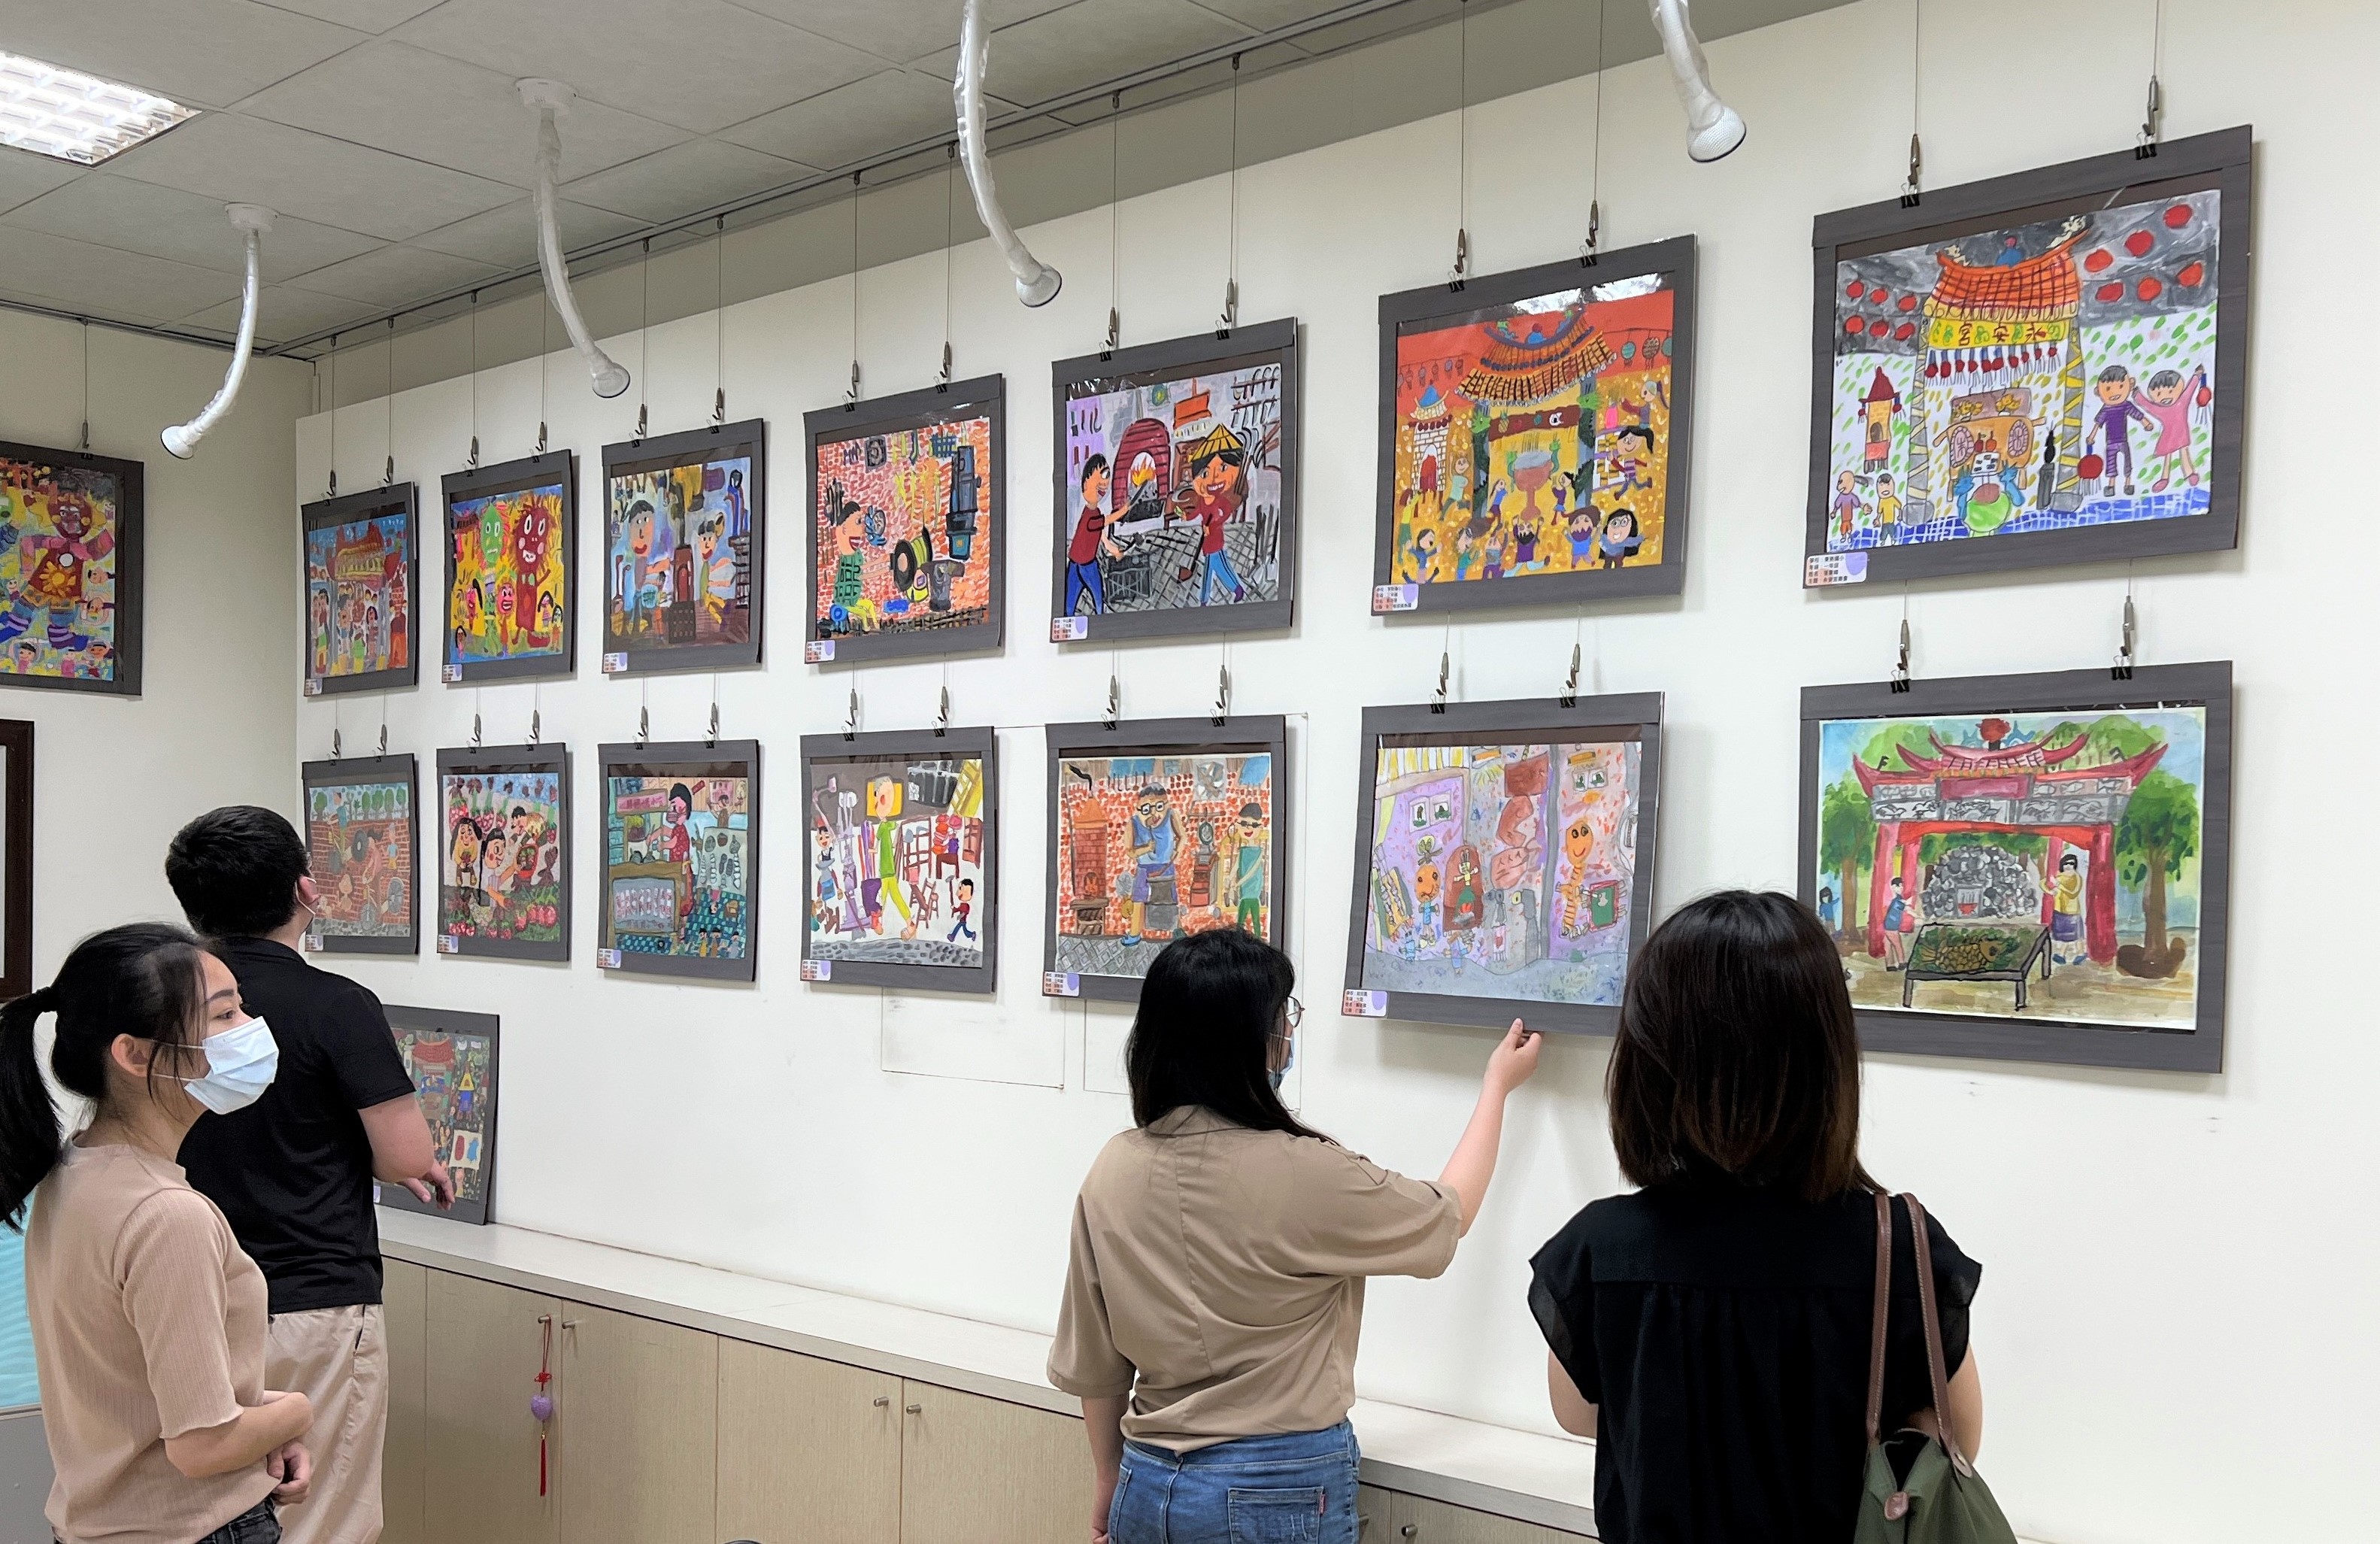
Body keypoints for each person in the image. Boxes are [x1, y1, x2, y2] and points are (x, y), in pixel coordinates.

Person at [1050, 929, 1543, 1544]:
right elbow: (1448, 1216)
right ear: (1252, 1039)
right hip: (1273, 1486)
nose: (1288, 1031)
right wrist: (1496, 1087)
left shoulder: (1113, 1167)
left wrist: (1108, 1480)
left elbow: (1095, 1361)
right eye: (1282, 1016)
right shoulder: (1305, 1170)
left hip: (1146, 1482)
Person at [1528, 892, 1984, 1544]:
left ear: (1648, 1062)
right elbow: (1955, 1436)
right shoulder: (1900, 1246)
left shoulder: (1600, 1248)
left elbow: (1576, 1414)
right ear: (1827, 1059)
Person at [165, 808, 455, 1544]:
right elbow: (405, 1155)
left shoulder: (160, 1006)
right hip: (309, 1302)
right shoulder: (336, 1004)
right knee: (318, 1518)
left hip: (188, 1303)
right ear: (306, 889)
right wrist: (402, 1158)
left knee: (206, 1519)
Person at [0, 923, 317, 1544]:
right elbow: (201, 1445)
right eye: (224, 1015)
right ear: (135, 1053)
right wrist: (297, 1410)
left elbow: (140, 1389)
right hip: (192, 1527)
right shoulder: (167, 1215)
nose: (250, 1028)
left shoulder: (73, 1173)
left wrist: (262, 1425)